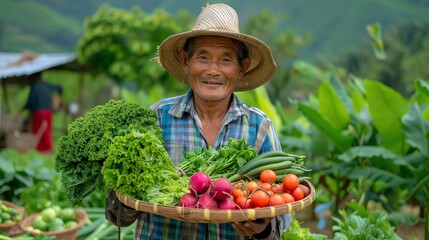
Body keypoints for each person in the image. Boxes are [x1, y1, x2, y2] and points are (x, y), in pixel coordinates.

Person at [107, 3, 290, 239]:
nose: (213, 70)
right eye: (203, 57)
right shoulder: (156, 118)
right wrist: (126, 194)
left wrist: (263, 227)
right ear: (185, 61)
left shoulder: (260, 127)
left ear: (242, 68)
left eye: (226, 60)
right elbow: (117, 216)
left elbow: (281, 210)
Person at [22, 72, 63, 153]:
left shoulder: (34, 86)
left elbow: (31, 101)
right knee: (46, 129)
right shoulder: (46, 85)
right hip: (48, 111)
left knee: (38, 130)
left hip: (38, 112)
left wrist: (23, 108)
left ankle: (42, 149)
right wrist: (58, 96)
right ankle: (46, 149)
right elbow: (60, 87)